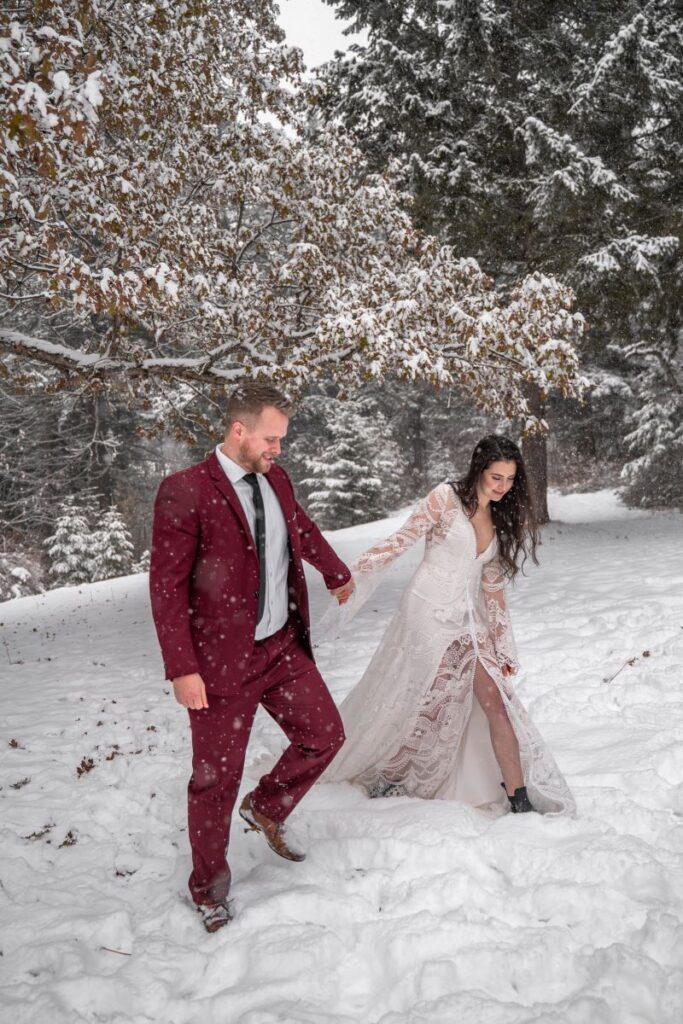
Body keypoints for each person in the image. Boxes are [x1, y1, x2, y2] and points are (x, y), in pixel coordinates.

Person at [149, 382, 354, 932]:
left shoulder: (276, 479)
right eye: (271, 438)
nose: (278, 449)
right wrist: (182, 668)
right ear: (238, 430)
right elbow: (166, 588)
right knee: (214, 781)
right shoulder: (185, 491)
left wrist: (335, 570)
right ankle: (210, 890)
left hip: (281, 646)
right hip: (219, 666)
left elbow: (300, 530)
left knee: (325, 734)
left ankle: (267, 806)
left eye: (282, 440)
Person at [323, 435, 575, 817]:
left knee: (497, 702)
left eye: (509, 479)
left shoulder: (501, 519)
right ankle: (390, 774)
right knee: (432, 696)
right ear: (478, 469)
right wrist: (354, 576)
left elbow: (493, 590)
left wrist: (504, 646)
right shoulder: (445, 498)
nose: (502, 487)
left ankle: (519, 797)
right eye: (495, 477)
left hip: (468, 620)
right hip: (425, 610)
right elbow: (400, 540)